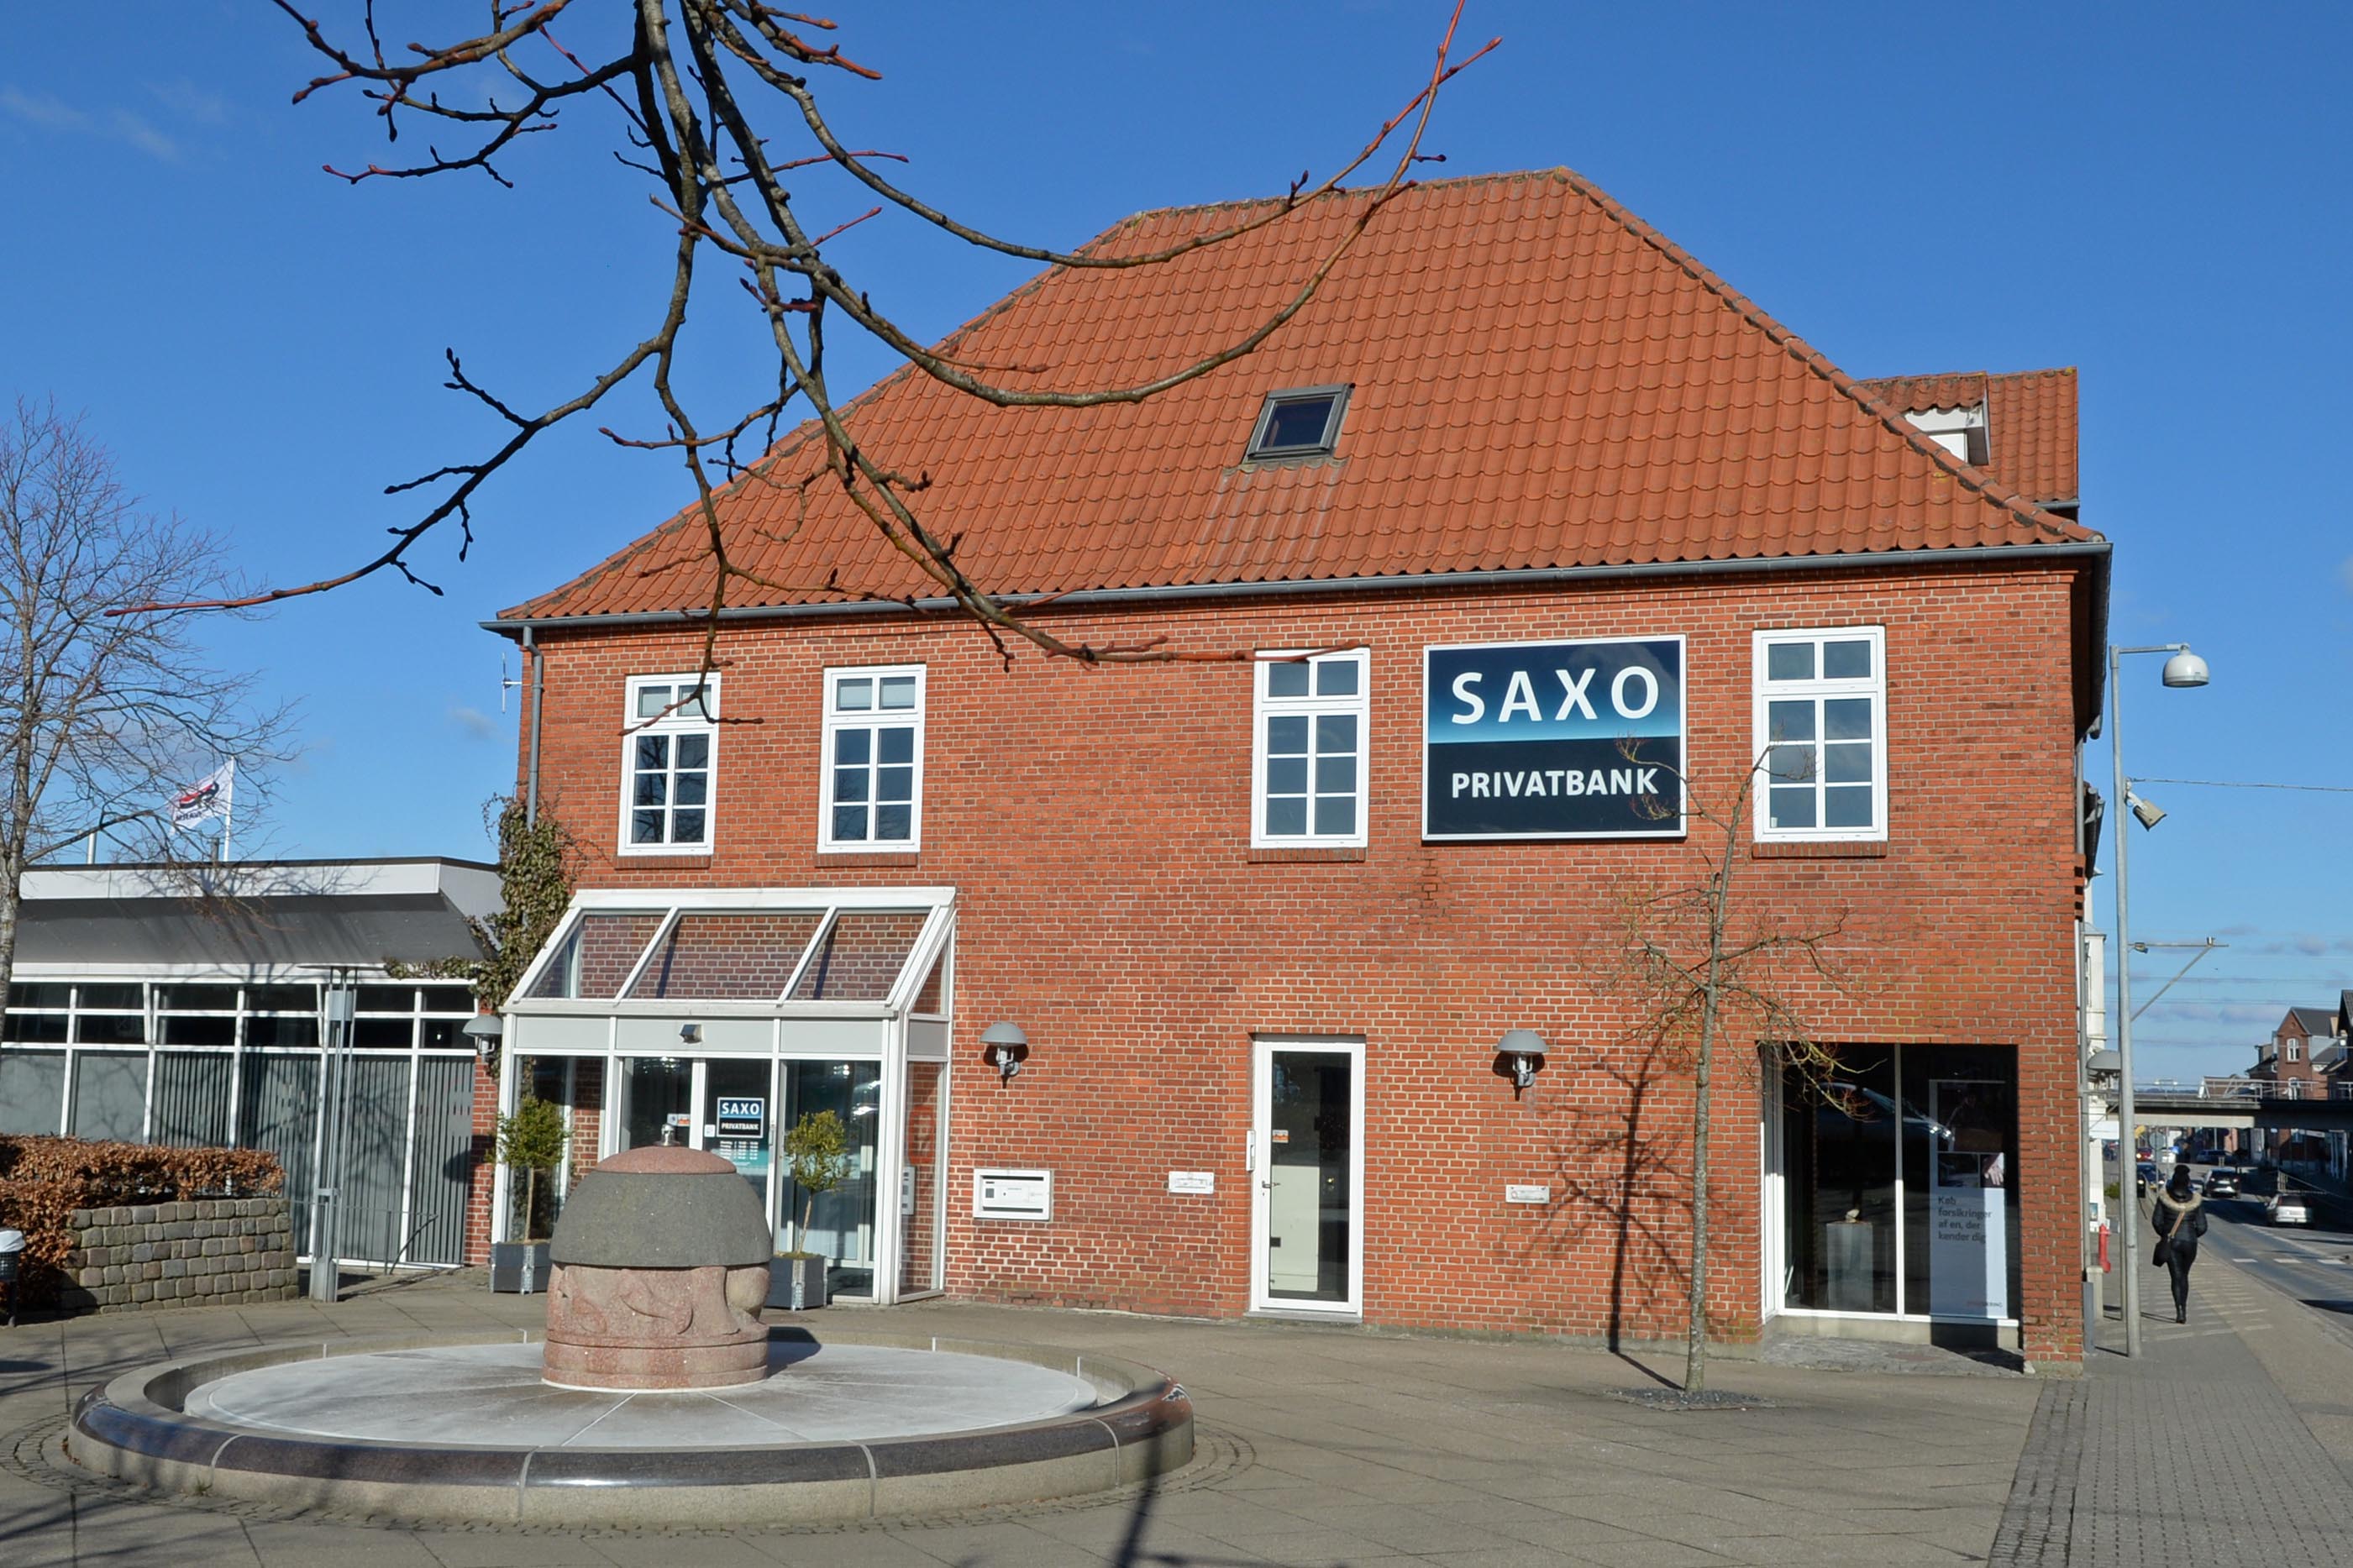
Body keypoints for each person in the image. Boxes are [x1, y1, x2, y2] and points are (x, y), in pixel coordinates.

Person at [2151, 1164, 2209, 1324]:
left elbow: (2156, 1222)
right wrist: (2192, 1235)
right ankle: (2184, 1306)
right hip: (2190, 1242)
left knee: (2176, 1276)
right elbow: (2203, 1226)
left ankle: (2180, 1311)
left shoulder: (2164, 1199)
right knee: (2184, 1275)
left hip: (2172, 1241)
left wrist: (2166, 1235)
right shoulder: (2196, 1201)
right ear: (2188, 1181)